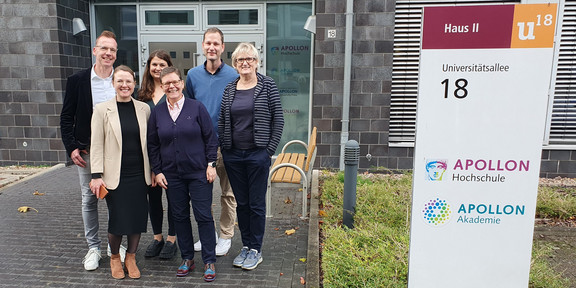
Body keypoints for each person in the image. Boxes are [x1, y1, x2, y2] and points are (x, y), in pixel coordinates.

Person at [60, 30, 126, 271]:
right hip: (87, 153)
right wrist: (71, 148)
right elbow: (66, 117)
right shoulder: (78, 81)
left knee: (115, 199)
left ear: (116, 54)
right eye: (104, 48)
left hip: (117, 154)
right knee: (89, 199)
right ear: (95, 51)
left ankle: (114, 244)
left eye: (112, 50)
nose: (108, 53)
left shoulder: (120, 80)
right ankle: (93, 248)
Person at [147, 67, 218, 282]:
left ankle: (209, 260)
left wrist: (211, 164)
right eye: (166, 83)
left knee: (203, 216)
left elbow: (211, 138)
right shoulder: (157, 113)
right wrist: (157, 171)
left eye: (175, 82)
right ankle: (187, 258)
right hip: (172, 175)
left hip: (198, 173)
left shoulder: (196, 108)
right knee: (179, 217)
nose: (171, 86)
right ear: (162, 86)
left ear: (182, 83)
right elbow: (152, 144)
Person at [218, 43, 284, 270]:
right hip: (233, 155)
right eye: (239, 60)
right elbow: (223, 120)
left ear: (257, 62)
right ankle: (245, 246)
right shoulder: (229, 88)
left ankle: (256, 248)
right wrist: (224, 148)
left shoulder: (268, 85)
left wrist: (268, 151)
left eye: (249, 59)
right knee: (242, 203)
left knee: (256, 204)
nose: (244, 63)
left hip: (258, 154)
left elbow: (278, 119)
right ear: (235, 64)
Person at [89, 65, 151, 279]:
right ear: (113, 84)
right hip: (114, 176)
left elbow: (149, 144)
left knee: (137, 219)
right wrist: (96, 175)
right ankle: (115, 257)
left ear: (135, 84)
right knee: (117, 220)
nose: (125, 85)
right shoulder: (101, 109)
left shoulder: (144, 109)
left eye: (129, 81)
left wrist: (154, 170)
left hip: (140, 174)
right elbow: (96, 144)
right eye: (120, 81)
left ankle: (131, 257)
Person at [185, 27, 238, 256]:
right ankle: (209, 235)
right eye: (208, 43)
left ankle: (225, 236)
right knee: (202, 195)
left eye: (216, 43)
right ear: (203, 46)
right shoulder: (192, 76)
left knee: (228, 194)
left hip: (228, 145)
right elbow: (187, 109)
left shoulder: (234, 75)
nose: (212, 47)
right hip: (200, 147)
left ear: (223, 47)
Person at [138, 50, 178, 259]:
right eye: (154, 64)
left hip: (171, 154)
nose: (157, 68)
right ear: (149, 67)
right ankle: (158, 237)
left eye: (162, 64)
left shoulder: (174, 91)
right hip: (147, 155)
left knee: (173, 197)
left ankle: (172, 239)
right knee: (153, 198)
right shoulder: (141, 94)